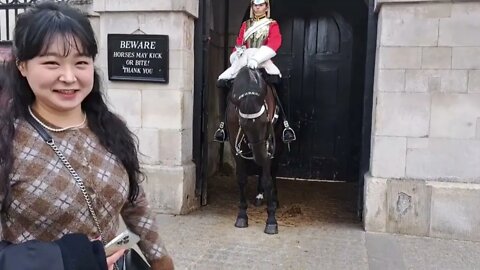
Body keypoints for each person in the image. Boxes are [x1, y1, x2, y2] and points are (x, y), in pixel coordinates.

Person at [0, 2, 174, 270]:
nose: (69, 77)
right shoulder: (7, 141)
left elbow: (134, 202)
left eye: (81, 62)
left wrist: (160, 260)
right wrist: (68, 259)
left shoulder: (110, 128)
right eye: (51, 63)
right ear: (22, 66)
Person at [214, 0, 296, 144]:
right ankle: (223, 125)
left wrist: (257, 59)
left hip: (262, 58)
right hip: (244, 58)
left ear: (266, 7)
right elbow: (239, 42)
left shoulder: (272, 24)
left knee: (279, 81)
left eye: (261, 5)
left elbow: (274, 43)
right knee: (222, 82)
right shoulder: (246, 25)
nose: (258, 8)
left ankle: (285, 125)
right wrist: (238, 52)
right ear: (252, 7)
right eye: (255, 5)